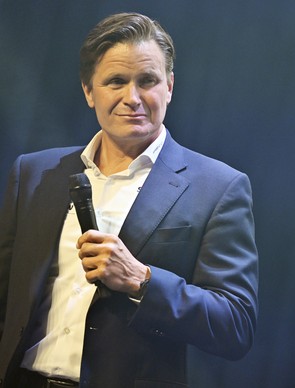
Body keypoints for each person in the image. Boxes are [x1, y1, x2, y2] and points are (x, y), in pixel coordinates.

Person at [0, 12, 259, 388]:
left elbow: (236, 325)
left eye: (148, 81)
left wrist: (142, 281)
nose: (132, 98)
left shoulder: (218, 187)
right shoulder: (34, 172)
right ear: (89, 91)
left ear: (169, 86)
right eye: (116, 81)